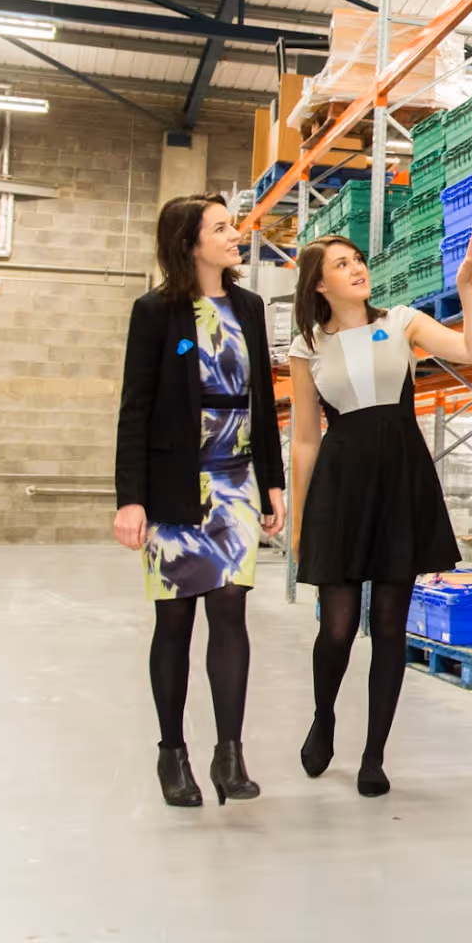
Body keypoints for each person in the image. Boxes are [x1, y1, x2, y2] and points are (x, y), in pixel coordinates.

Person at [288, 229, 472, 797]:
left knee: (389, 628)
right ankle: (323, 717)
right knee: (337, 627)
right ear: (319, 284)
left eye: (358, 260)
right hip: (341, 482)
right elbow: (305, 440)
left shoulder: (401, 320)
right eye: (341, 264)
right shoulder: (308, 346)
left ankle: (374, 754)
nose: (357, 269)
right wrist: (301, 520)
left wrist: (466, 290)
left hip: (400, 476)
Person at [113, 193, 286, 808]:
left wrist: (273, 480)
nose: (234, 234)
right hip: (175, 487)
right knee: (176, 619)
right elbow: (135, 409)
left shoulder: (250, 306)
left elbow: (263, 398)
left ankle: (229, 754)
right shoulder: (156, 312)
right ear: (189, 243)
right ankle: (171, 754)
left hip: (236, 478)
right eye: (220, 227)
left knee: (231, 610)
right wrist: (130, 499)